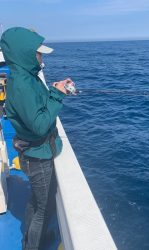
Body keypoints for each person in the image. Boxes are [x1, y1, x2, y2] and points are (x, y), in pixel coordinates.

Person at [0, 27, 73, 249]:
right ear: (25, 53)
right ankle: (34, 245)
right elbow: (40, 125)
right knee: (44, 208)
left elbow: (36, 108)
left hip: (36, 153)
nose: (41, 56)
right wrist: (59, 94)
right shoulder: (23, 84)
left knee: (38, 201)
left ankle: (31, 241)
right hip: (38, 157)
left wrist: (54, 90)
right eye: (38, 52)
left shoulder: (26, 77)